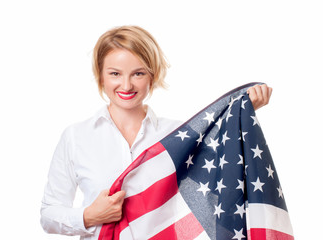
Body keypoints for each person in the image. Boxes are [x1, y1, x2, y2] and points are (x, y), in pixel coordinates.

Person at [40, 25, 272, 239]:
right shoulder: (76, 137)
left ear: (153, 75)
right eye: (115, 74)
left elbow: (220, 177)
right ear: (100, 75)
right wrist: (90, 216)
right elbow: (48, 214)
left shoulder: (179, 136)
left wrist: (243, 111)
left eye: (138, 73)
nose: (127, 85)